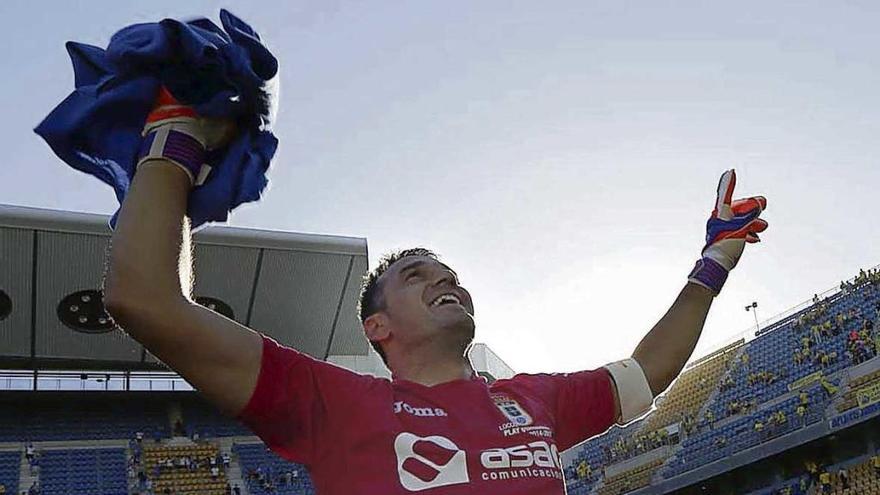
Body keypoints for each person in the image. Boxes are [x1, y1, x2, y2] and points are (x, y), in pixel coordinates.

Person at [102, 87, 769, 494]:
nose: (445, 278)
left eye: (448, 271)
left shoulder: (534, 398)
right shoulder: (330, 402)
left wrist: (711, 265)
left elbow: (647, 373)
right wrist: (175, 136)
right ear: (377, 327)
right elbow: (144, 298)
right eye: (416, 275)